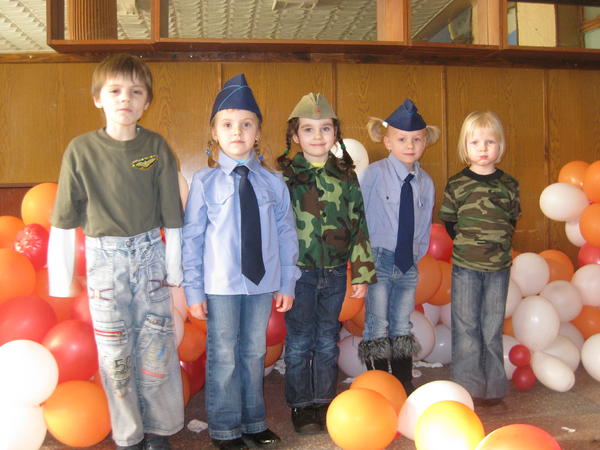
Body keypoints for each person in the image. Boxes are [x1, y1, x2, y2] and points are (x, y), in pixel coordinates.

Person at [48, 54, 184, 450]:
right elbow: (64, 220)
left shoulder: (155, 147)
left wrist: (175, 272)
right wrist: (61, 281)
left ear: (146, 102)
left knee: (156, 346)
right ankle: (128, 434)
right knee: (115, 355)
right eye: (115, 91)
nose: (125, 98)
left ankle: (159, 429)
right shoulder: (80, 150)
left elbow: (173, 219)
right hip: (104, 264)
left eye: (136, 92)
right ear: (98, 98)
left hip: (149, 257)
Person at [182, 74, 300, 450]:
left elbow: (286, 234)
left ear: (258, 132)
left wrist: (287, 281)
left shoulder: (273, 183)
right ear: (214, 133)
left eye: (246, 124)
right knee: (223, 355)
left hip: (262, 283)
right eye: (228, 124)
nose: (237, 131)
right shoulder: (204, 183)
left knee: (253, 353)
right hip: (221, 285)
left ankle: (253, 421)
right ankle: (225, 428)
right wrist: (193, 290)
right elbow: (192, 239)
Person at [276, 93, 376, 434]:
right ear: (295, 135)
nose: (317, 136)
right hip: (298, 275)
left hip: (333, 273)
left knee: (326, 339)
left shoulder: (345, 176)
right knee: (299, 341)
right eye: (308, 129)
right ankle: (301, 405)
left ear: (335, 134)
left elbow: (359, 223)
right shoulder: (286, 178)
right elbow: (275, 228)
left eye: (325, 128)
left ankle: (323, 401)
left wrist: (361, 272)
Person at [439, 110, 520, 407]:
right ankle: (468, 387)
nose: (483, 148)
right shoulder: (457, 184)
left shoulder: (509, 185)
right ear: (465, 146)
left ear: (500, 145)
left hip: (498, 268)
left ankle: (494, 387)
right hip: (466, 267)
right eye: (475, 142)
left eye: (490, 142)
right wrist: (470, 246)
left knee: (491, 327)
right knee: (466, 327)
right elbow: (449, 222)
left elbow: (512, 220)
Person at [359, 98, 440, 394]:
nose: (410, 145)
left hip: (408, 262)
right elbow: (360, 216)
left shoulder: (425, 182)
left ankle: (403, 380)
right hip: (378, 258)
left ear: (425, 143)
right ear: (387, 141)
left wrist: (415, 255)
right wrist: (363, 260)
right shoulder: (374, 174)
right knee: (377, 322)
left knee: (402, 322)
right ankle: (380, 383)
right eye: (402, 139)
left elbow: (423, 224)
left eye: (417, 139)